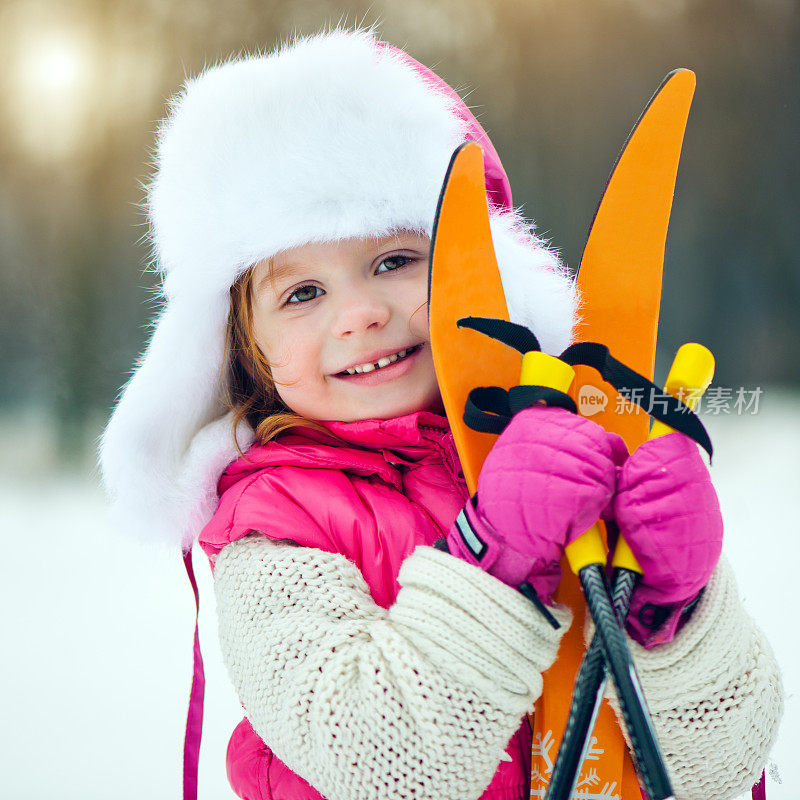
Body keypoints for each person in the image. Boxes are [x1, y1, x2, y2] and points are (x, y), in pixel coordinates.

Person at [99, 26, 783, 800]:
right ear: (243, 349)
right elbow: (384, 765)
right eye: (303, 293)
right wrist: (490, 556)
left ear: (481, 275)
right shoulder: (272, 527)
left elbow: (722, 764)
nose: (359, 315)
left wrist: (678, 605)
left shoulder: (591, 457)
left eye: (394, 261)